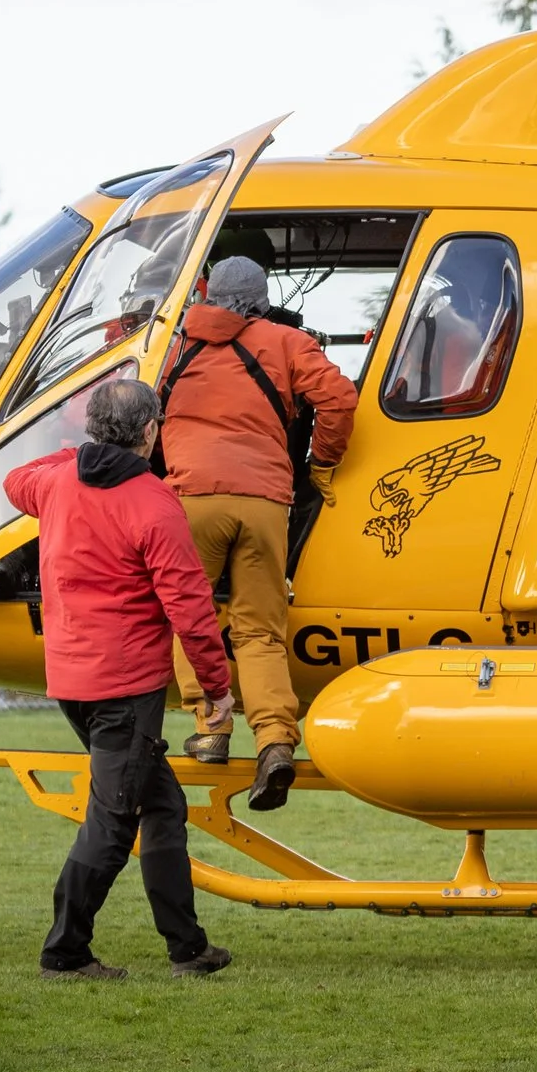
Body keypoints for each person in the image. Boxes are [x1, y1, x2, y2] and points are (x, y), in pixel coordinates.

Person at [4, 378, 237, 981]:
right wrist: (216, 686)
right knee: (113, 821)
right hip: (125, 688)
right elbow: (190, 607)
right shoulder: (155, 502)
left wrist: (74, 454)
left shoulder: (57, 483)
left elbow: (14, 479)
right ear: (152, 431)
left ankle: (188, 946)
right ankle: (65, 951)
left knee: (162, 804)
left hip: (73, 681)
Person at [161, 255, 359, 810]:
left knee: (190, 616)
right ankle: (274, 740)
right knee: (261, 631)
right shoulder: (285, 342)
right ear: (261, 300)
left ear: (207, 293)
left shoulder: (171, 347)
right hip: (266, 501)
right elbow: (340, 399)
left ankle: (211, 731)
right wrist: (321, 461)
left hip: (191, 499)